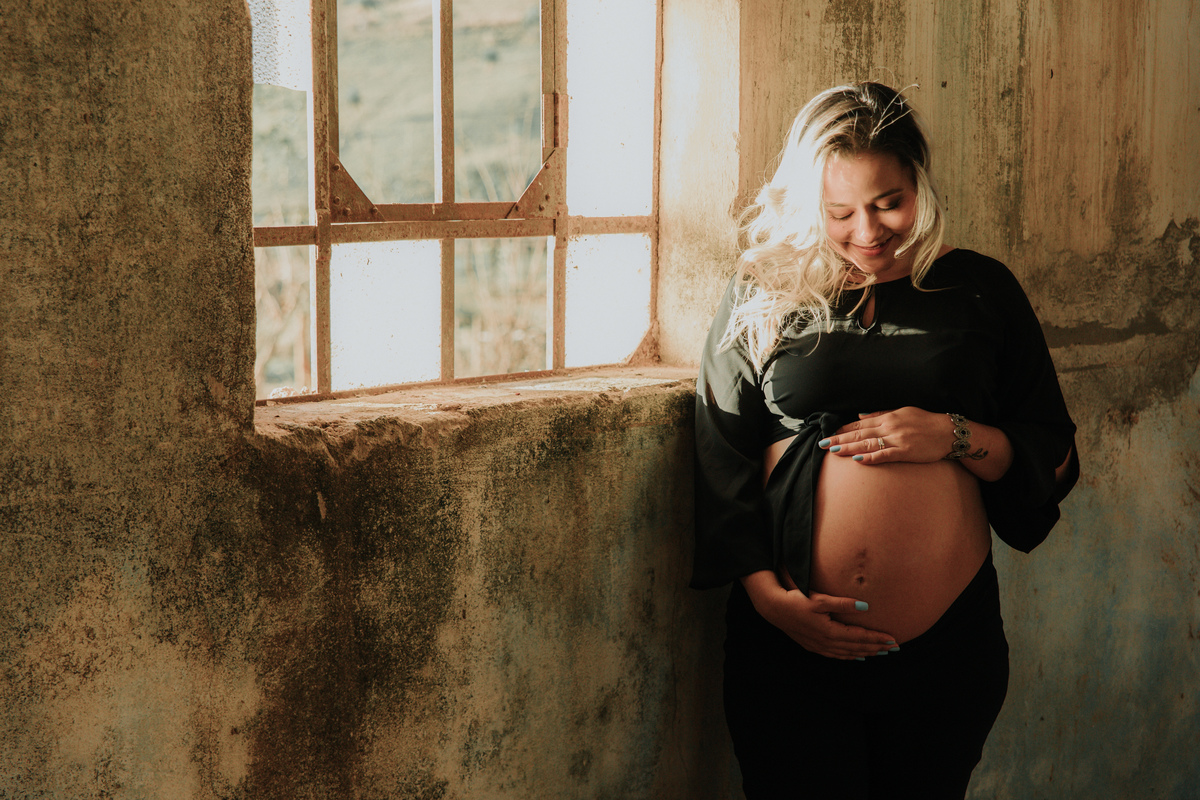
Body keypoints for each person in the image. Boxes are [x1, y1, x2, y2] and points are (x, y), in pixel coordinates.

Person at [691, 82, 1079, 799]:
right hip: (790, 645)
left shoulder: (980, 289)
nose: (867, 231)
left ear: (918, 183)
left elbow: (1048, 449)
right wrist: (770, 602)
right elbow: (722, 452)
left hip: (943, 656)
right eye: (839, 212)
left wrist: (953, 435)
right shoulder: (762, 291)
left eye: (888, 202)